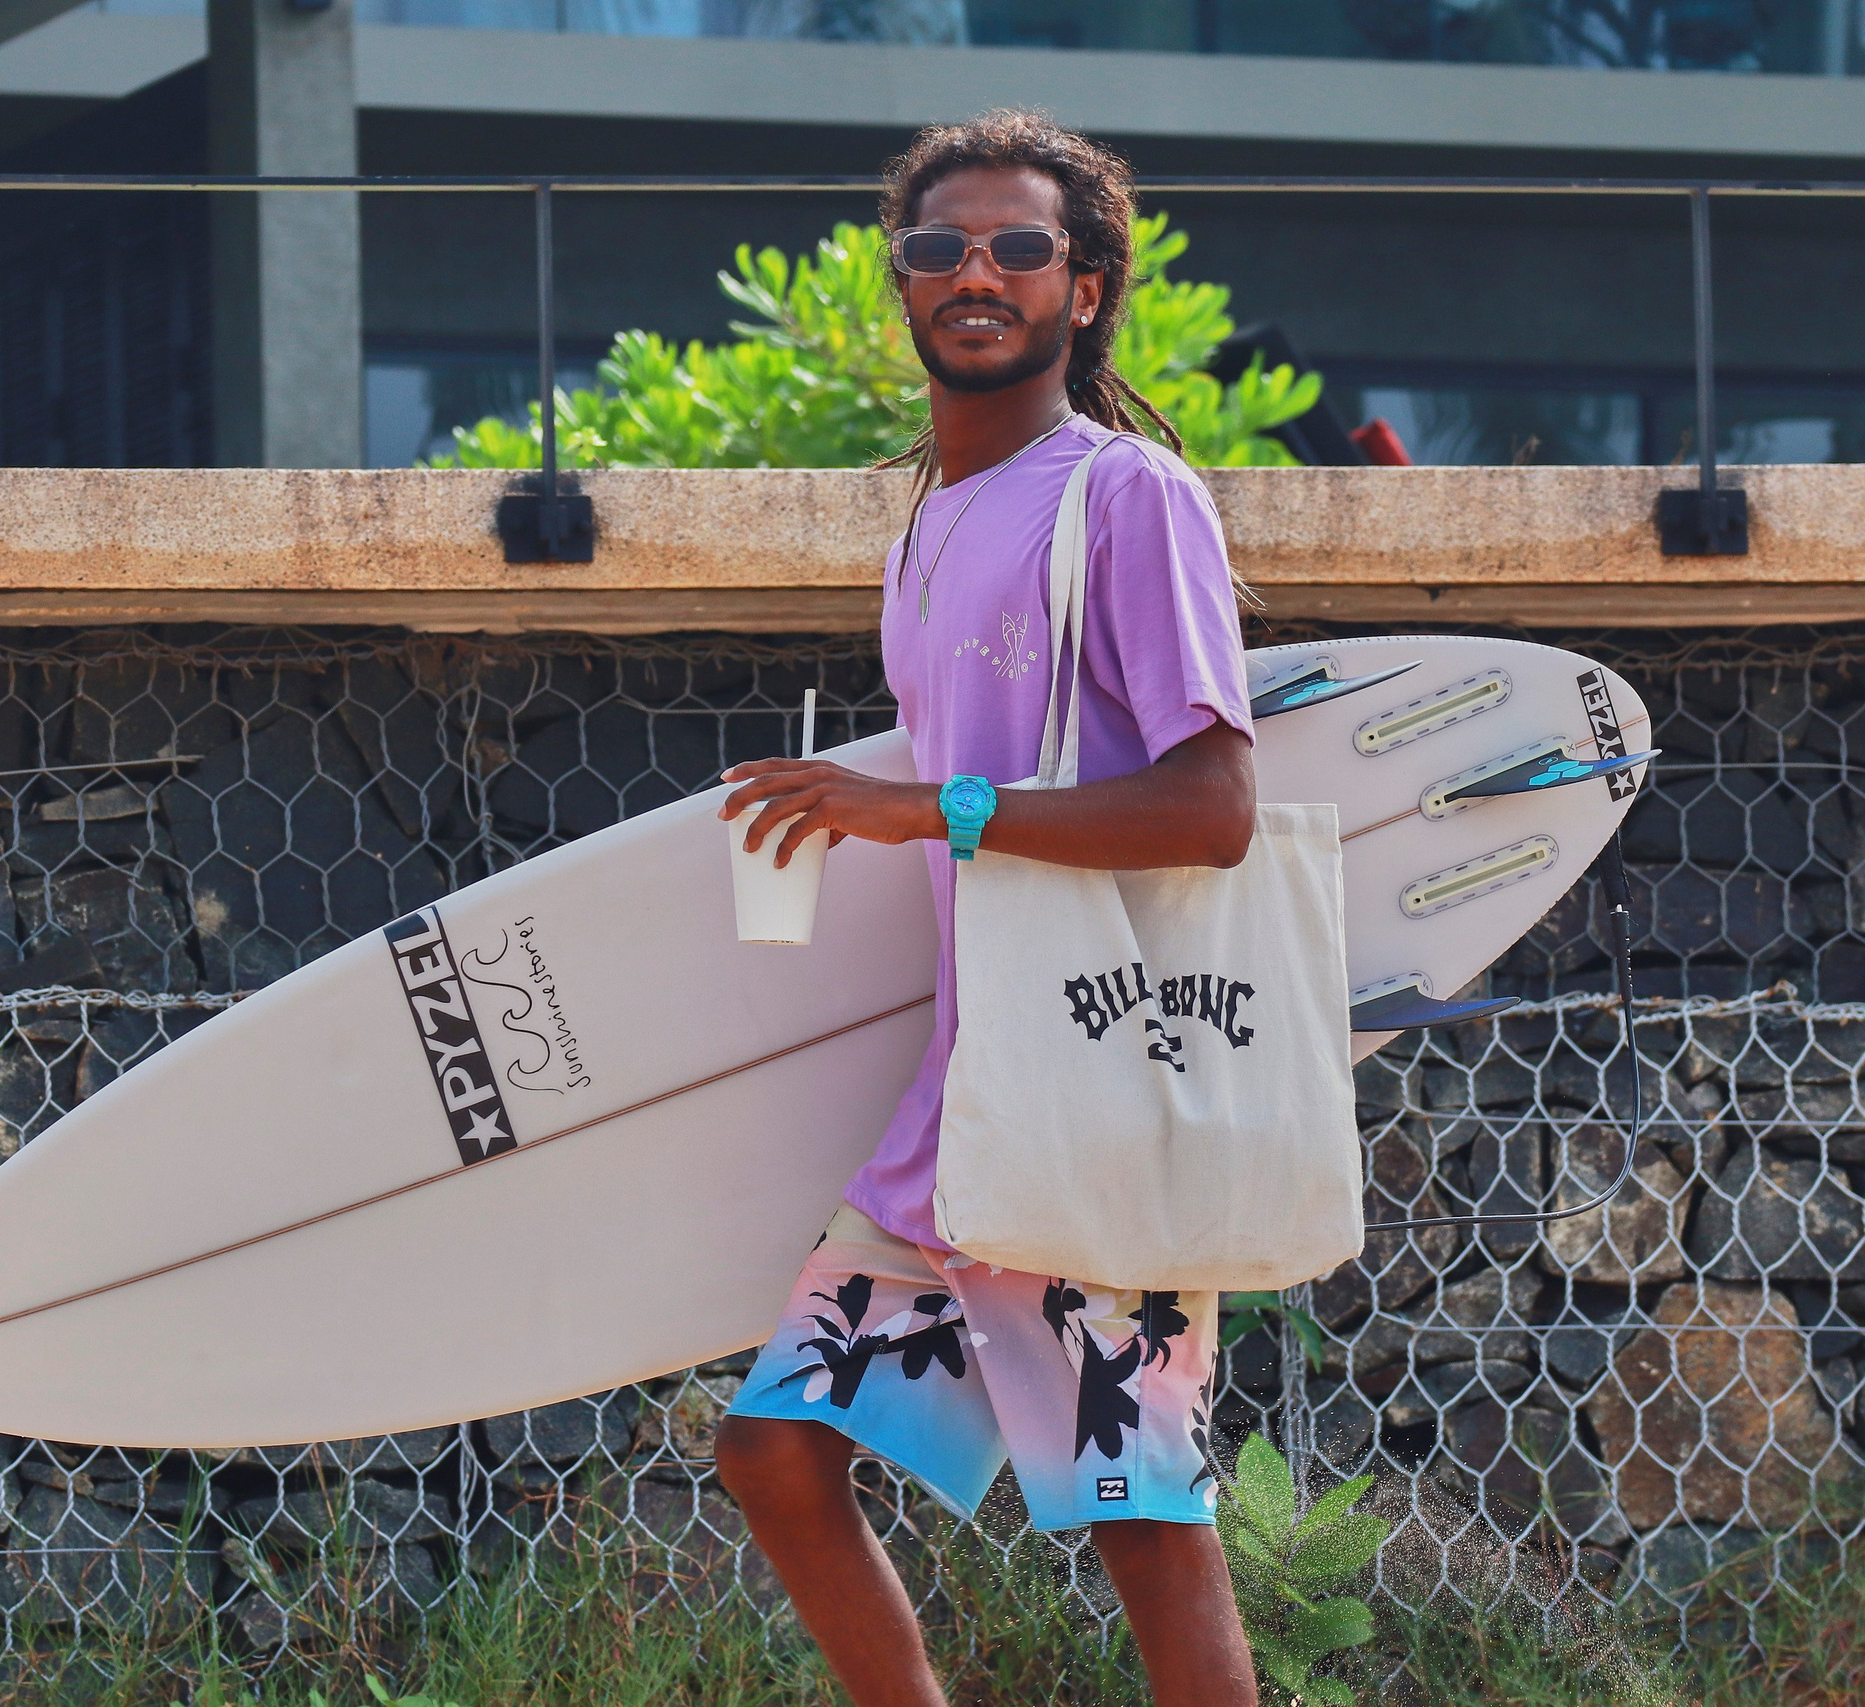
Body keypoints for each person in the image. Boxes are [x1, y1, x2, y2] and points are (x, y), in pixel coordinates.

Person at [711, 110, 1262, 1707]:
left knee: (1141, 1508)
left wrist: (929, 809)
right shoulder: (930, 525)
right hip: (965, 1099)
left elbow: (1214, 808)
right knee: (776, 1451)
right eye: (939, 246)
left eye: (1021, 247)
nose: (977, 273)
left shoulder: (1130, 497)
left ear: (1083, 289)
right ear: (899, 282)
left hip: (1099, 1075)